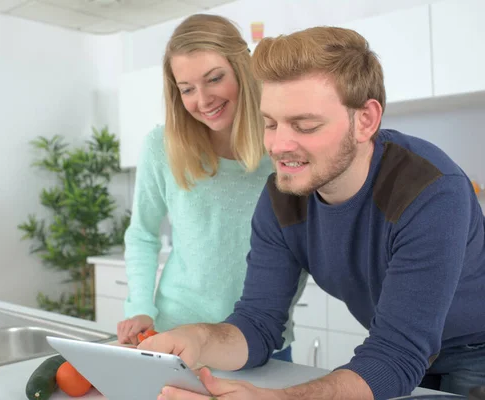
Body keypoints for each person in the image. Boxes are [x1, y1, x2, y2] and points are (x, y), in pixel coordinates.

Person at [138, 25, 485, 400]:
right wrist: (197, 339)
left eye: (305, 126)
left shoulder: (431, 191)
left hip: (474, 351)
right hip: (400, 356)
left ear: (365, 120)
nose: (279, 146)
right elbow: (258, 323)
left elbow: (395, 355)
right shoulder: (282, 197)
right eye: (270, 123)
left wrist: (280, 398)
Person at [116, 14, 308, 362]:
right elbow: (142, 233)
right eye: (187, 89)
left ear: (242, 69)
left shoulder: (282, 148)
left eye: (214, 79)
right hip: (174, 337)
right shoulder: (162, 146)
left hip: (262, 342)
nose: (202, 100)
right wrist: (140, 307)